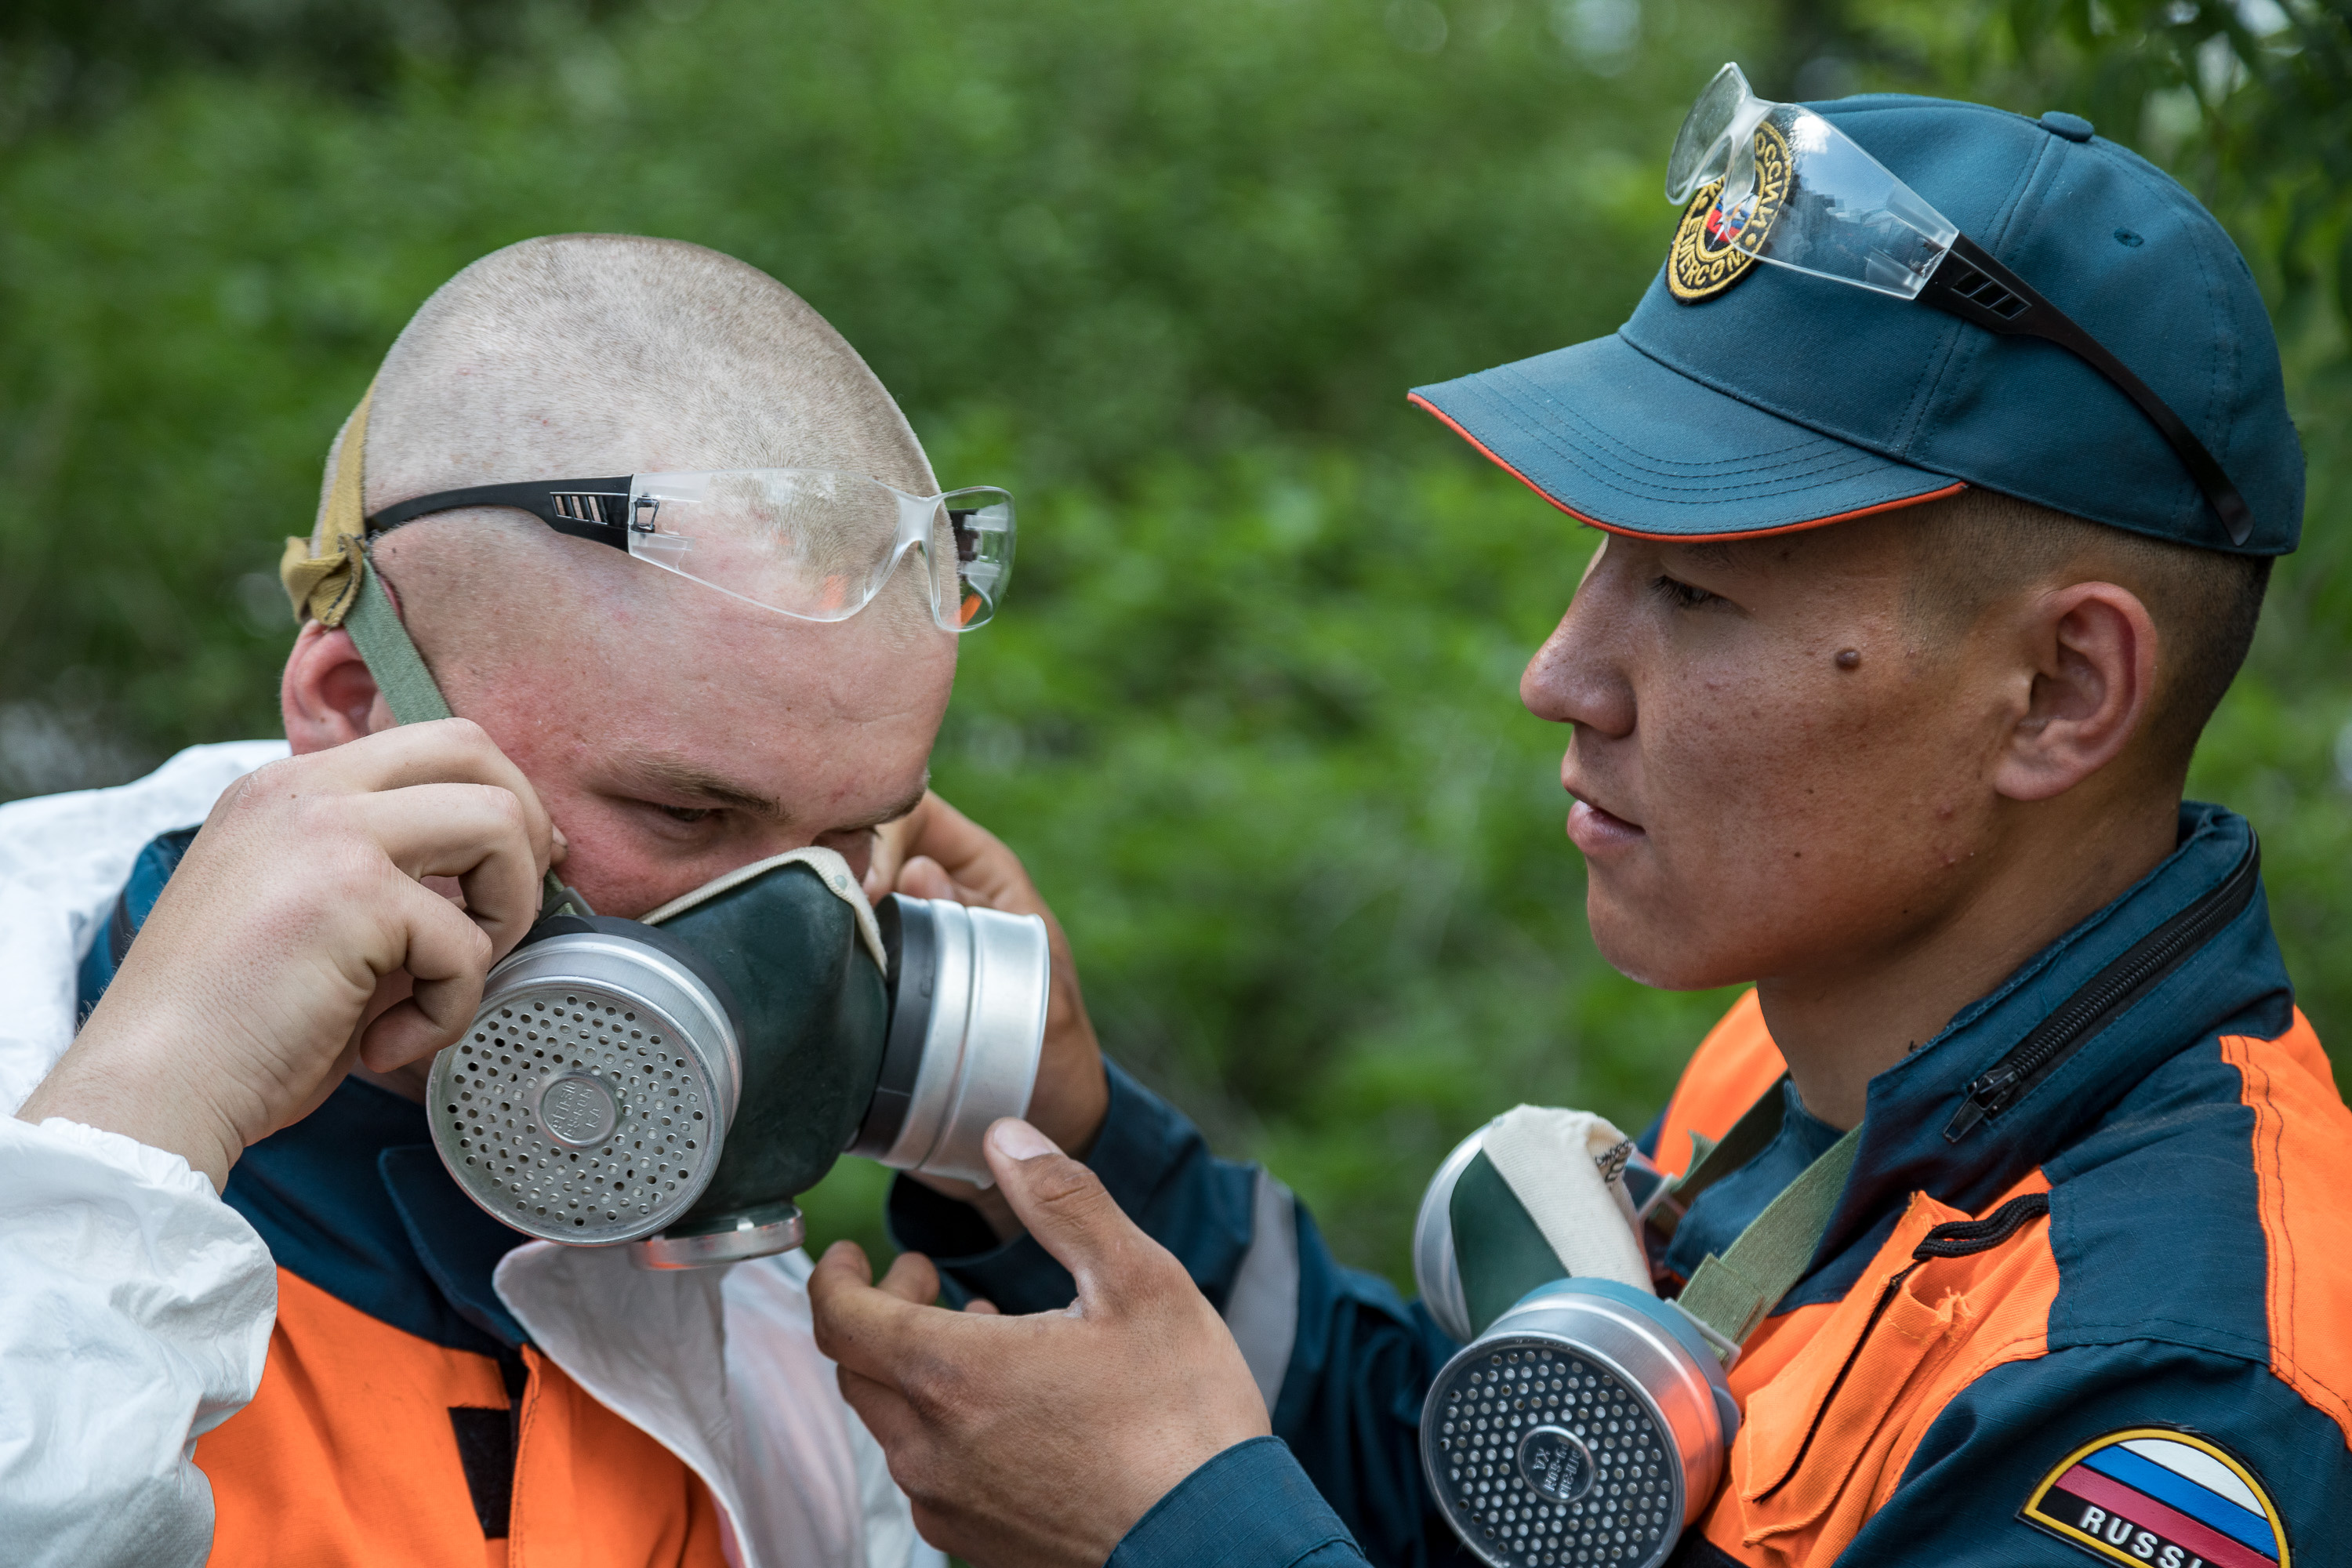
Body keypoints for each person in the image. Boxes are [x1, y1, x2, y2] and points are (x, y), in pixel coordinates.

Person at [806, 85, 2352, 1567]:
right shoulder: (1806, 1052)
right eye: (1606, 558)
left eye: (1694, 591)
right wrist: (1055, 1131)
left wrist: (1176, 1529)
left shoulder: (2169, 1384)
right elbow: (1459, 1514)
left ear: (2061, 690)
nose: (1560, 673)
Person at [0, 233, 1105, 1568]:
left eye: (856, 834)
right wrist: (152, 1102)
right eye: (689, 815)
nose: (803, 940)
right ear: (355, 707)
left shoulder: (803, 1353)